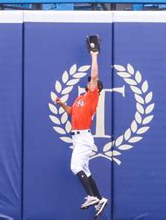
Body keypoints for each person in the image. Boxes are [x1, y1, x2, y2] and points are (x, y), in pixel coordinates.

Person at [55, 50, 108, 219]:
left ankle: (92, 196)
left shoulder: (93, 96)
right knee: (85, 169)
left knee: (75, 167)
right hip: (77, 138)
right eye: (90, 82)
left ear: (97, 88)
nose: (90, 82)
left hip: (84, 137)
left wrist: (94, 56)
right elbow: (72, 112)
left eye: (93, 82)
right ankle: (100, 199)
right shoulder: (80, 98)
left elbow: (94, 76)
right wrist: (62, 104)